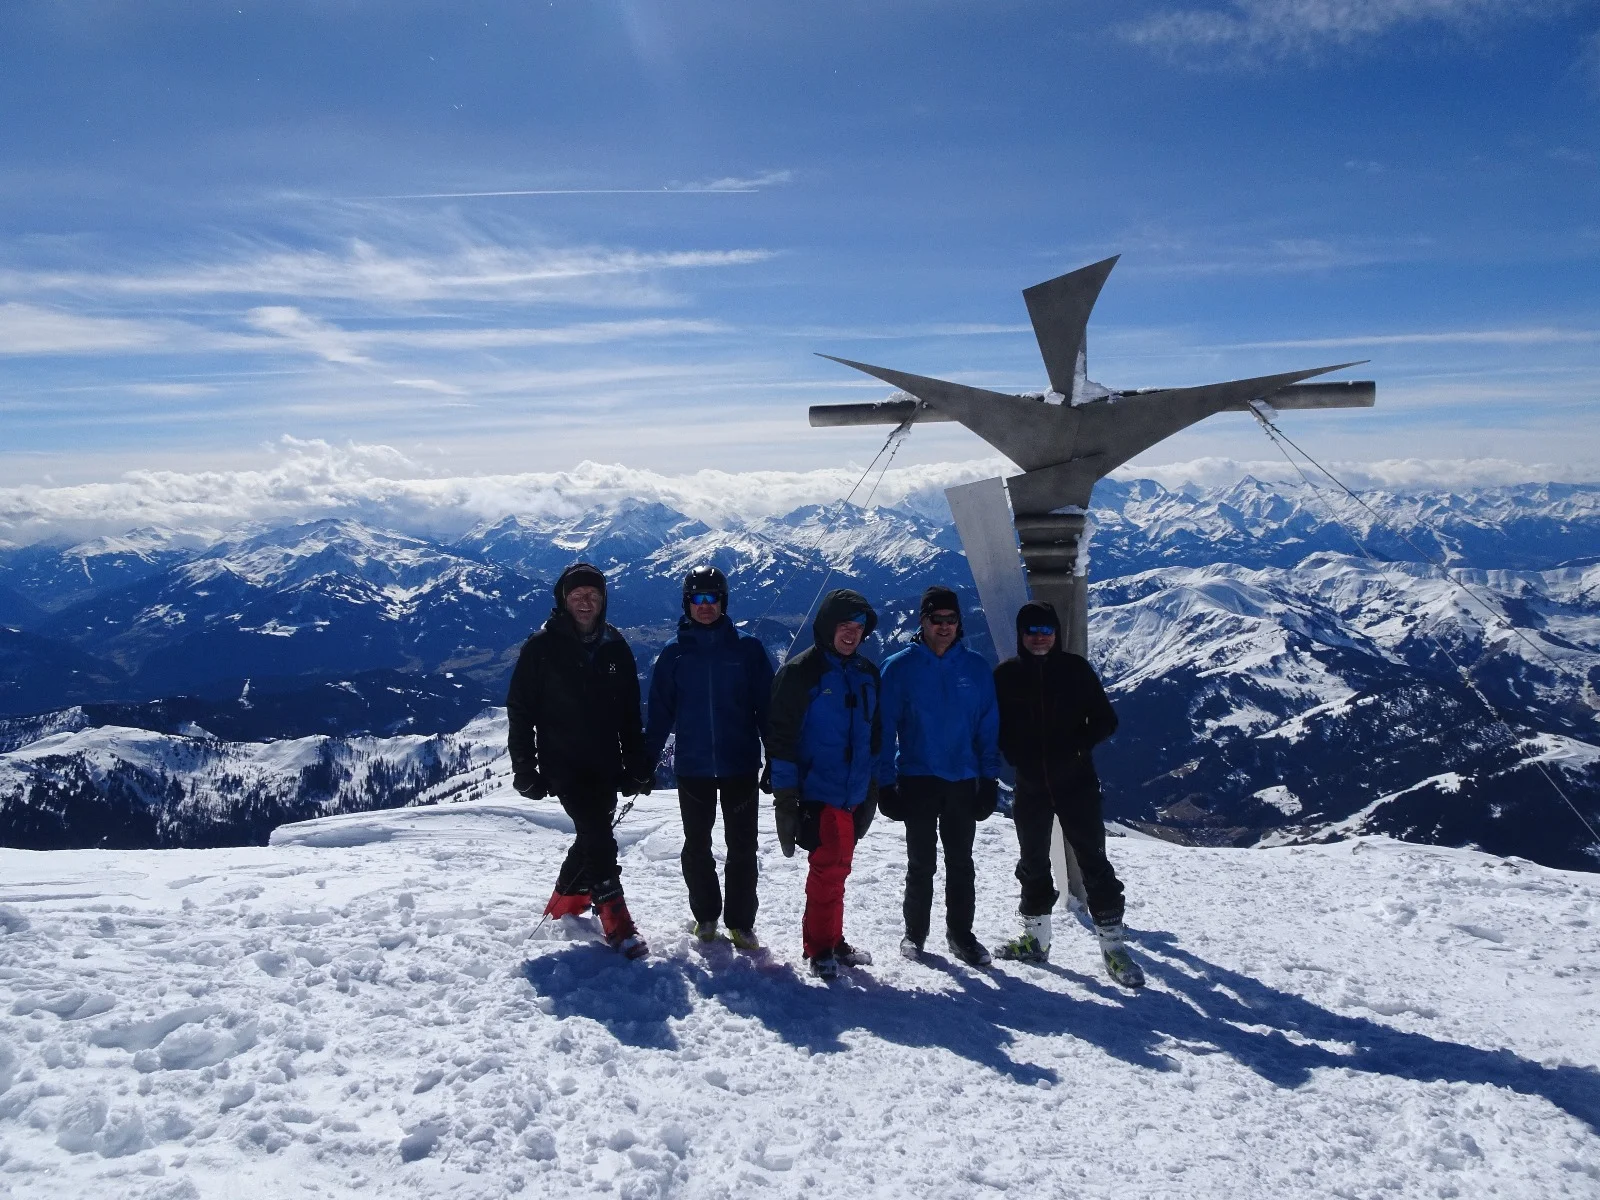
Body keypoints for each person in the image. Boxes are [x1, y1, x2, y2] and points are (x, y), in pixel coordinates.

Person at [506, 561, 654, 959]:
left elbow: (628, 714)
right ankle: (617, 924)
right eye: (577, 596)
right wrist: (525, 768)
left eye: (593, 595)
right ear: (563, 600)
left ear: (603, 600)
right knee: (599, 837)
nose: (585, 603)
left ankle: (565, 903)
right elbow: (521, 710)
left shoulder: (615, 646)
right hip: (563, 763)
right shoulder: (541, 648)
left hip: (605, 762)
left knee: (593, 833)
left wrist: (635, 764)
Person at [992, 600, 1143, 988]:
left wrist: (1076, 747)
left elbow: (1106, 719)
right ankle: (1036, 940)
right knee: (1033, 863)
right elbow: (994, 724)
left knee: (1094, 861)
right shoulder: (1006, 676)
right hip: (1030, 786)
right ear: (1021, 635)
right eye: (1031, 631)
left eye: (1046, 630)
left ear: (1056, 633)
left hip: (1076, 783)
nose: (1039, 638)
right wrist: (1012, 752)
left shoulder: (1075, 670)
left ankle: (1113, 947)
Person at [642, 565, 775, 949]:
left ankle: (740, 922)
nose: (705, 605)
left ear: (723, 602)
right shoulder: (674, 653)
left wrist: (777, 759)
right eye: (697, 598)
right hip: (694, 766)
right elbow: (660, 714)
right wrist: (645, 764)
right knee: (696, 846)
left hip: (740, 764)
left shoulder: (747, 648)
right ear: (687, 603)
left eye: (712, 597)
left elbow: (766, 708)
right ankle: (706, 917)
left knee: (742, 848)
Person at [876, 585, 1002, 966]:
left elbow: (987, 727)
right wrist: (884, 782)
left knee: (961, 862)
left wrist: (990, 779)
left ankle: (961, 935)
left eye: (951, 619)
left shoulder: (976, 668)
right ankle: (915, 934)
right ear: (923, 621)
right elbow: (883, 730)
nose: (944, 626)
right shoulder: (900, 667)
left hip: (963, 779)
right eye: (937, 619)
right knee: (921, 862)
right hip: (918, 777)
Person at [767, 588, 881, 980]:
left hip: (853, 791)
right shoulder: (801, 673)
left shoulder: (866, 674)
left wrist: (872, 788)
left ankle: (831, 939)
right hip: (819, 790)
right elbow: (780, 739)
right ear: (827, 626)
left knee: (839, 869)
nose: (851, 634)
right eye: (844, 625)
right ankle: (820, 948)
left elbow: (874, 735)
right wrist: (786, 797)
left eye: (859, 627)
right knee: (828, 869)